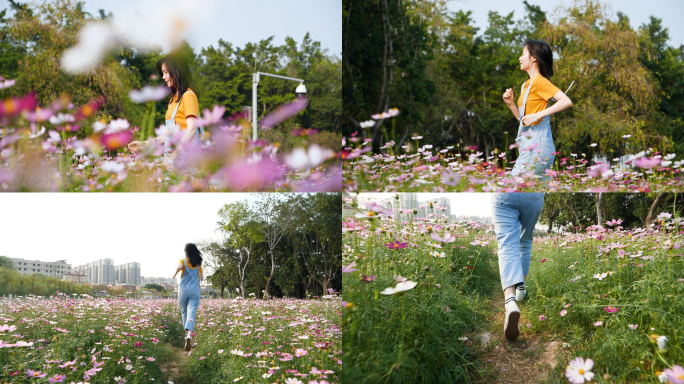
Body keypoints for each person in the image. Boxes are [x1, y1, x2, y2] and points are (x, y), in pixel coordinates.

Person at [502, 39, 573, 179]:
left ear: (533, 58)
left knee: (514, 187)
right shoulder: (526, 85)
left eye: (523, 54)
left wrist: (538, 115)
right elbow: (524, 121)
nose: (519, 58)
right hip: (528, 145)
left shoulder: (540, 81)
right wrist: (510, 104)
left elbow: (566, 101)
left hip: (537, 146)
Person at [128, 53, 203, 164]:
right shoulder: (173, 100)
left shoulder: (188, 96)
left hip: (186, 159)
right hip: (172, 159)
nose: (163, 77)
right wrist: (145, 144)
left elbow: (191, 129)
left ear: (177, 71)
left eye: (166, 73)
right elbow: (169, 136)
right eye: (163, 73)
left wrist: (175, 155)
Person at [490, 192, 545, 339]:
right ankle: (521, 290)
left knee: (507, 244)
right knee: (525, 241)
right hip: (533, 195)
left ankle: (510, 301)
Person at [172, 243, 204, 351]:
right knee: (191, 312)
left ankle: (186, 336)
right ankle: (190, 334)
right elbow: (202, 278)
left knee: (184, 312)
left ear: (186, 251)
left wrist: (175, 274)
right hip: (194, 291)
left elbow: (179, 267)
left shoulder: (183, 261)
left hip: (183, 290)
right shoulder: (198, 263)